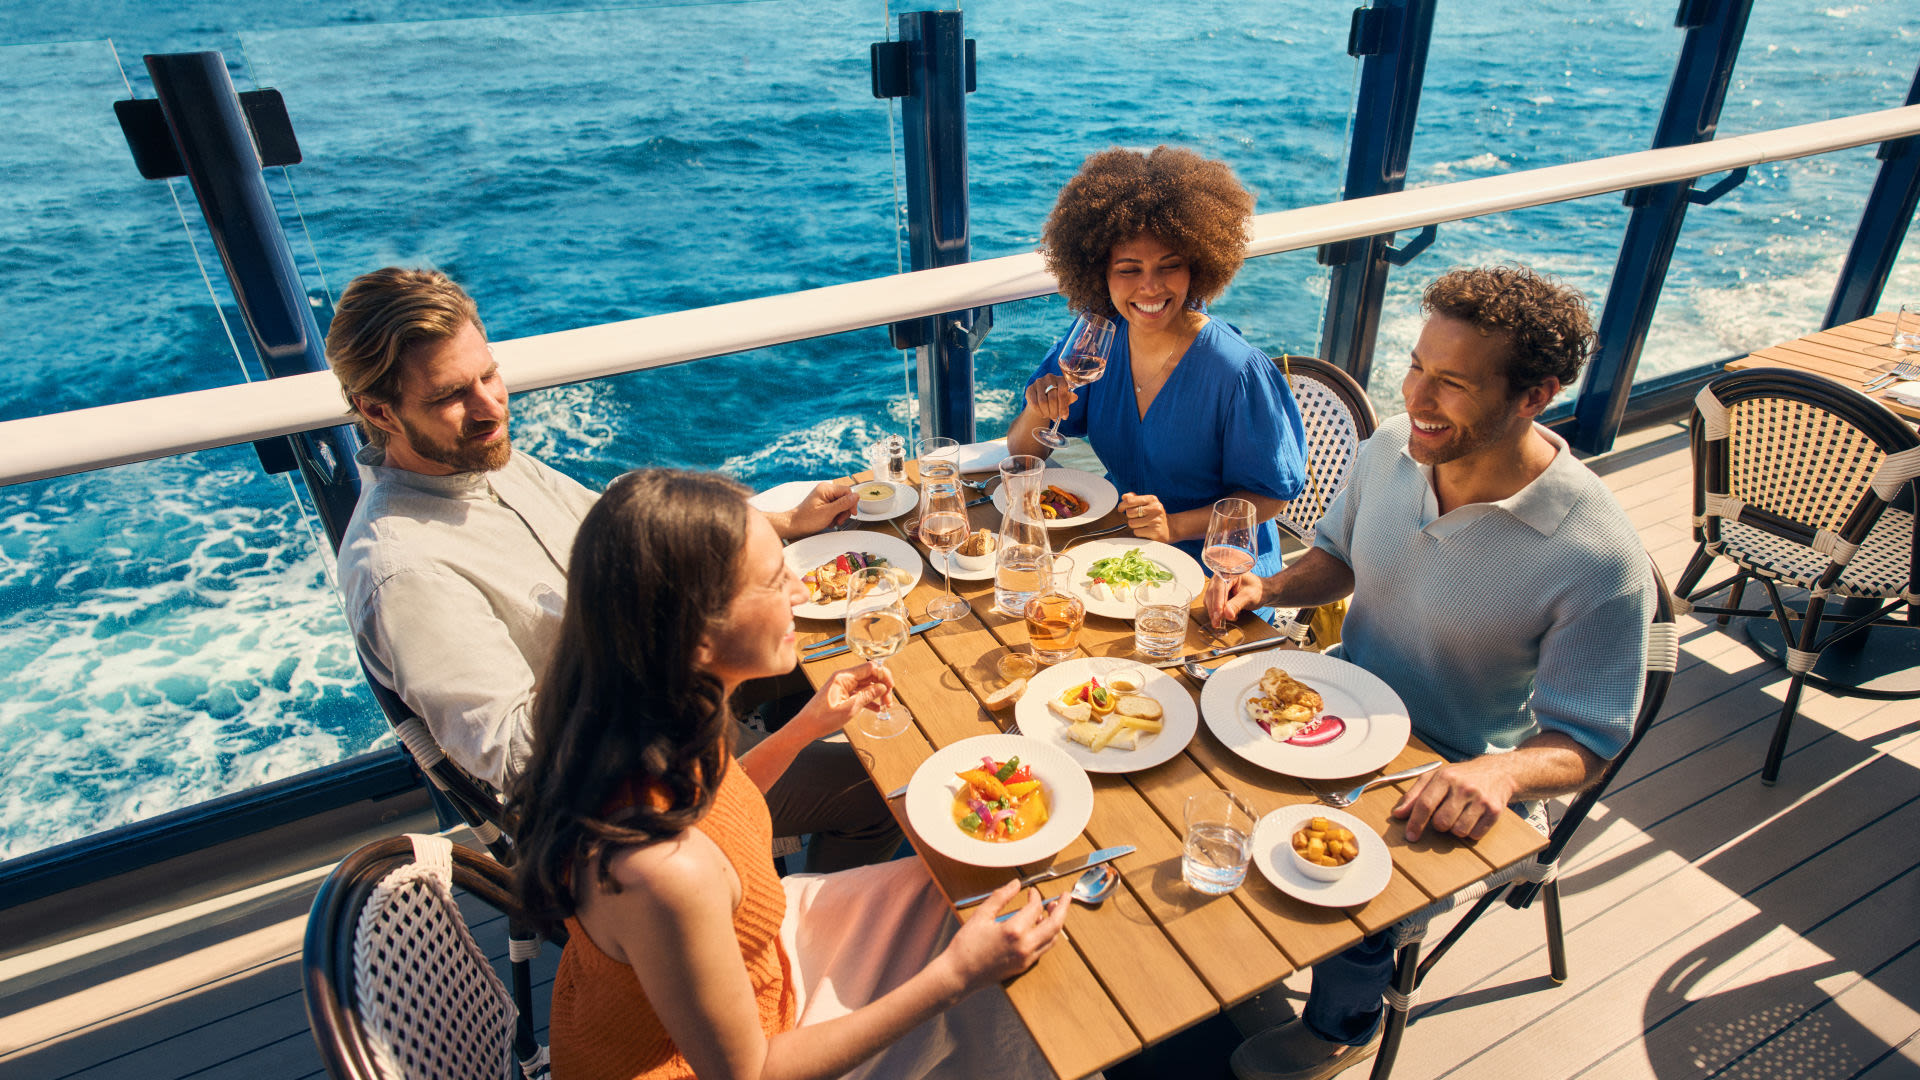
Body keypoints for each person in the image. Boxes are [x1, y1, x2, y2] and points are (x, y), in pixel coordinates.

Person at [1208, 265, 1653, 1080]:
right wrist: (1267, 587)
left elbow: (1590, 741)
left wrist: (1501, 773)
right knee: (1198, 785)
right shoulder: (1389, 449)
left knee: (1357, 883)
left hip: (1452, 769)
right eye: (1417, 366)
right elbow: (1339, 558)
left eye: (1451, 382)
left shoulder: (1598, 556)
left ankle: (1344, 1022)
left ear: (1535, 395)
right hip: (1335, 709)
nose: (1418, 396)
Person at [327, 267, 900, 872]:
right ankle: (781, 928)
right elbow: (524, 756)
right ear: (379, 412)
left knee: (857, 640)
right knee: (883, 790)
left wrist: (782, 524)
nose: (489, 406)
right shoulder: (402, 571)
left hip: (676, 696)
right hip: (630, 791)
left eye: (489, 375)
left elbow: (632, 541)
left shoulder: (482, 459)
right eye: (449, 396)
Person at [510, 469, 1068, 1080]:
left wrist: (803, 727)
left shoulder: (647, 719)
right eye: (777, 581)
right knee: (1026, 1013)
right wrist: (955, 977)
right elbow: (749, 1072)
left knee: (985, 888)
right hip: (729, 1053)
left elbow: (716, 812)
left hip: (762, 955)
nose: (802, 592)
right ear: (697, 637)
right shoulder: (664, 873)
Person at [1006, 145, 1307, 583]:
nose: (1150, 287)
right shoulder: (1094, 341)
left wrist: (1176, 525)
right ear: (1099, 274)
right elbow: (1022, 453)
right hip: (1123, 554)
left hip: (1219, 572)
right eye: (1129, 269)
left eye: (1170, 266)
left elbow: (1270, 497)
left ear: (1198, 267)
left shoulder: (1236, 371)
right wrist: (1038, 409)